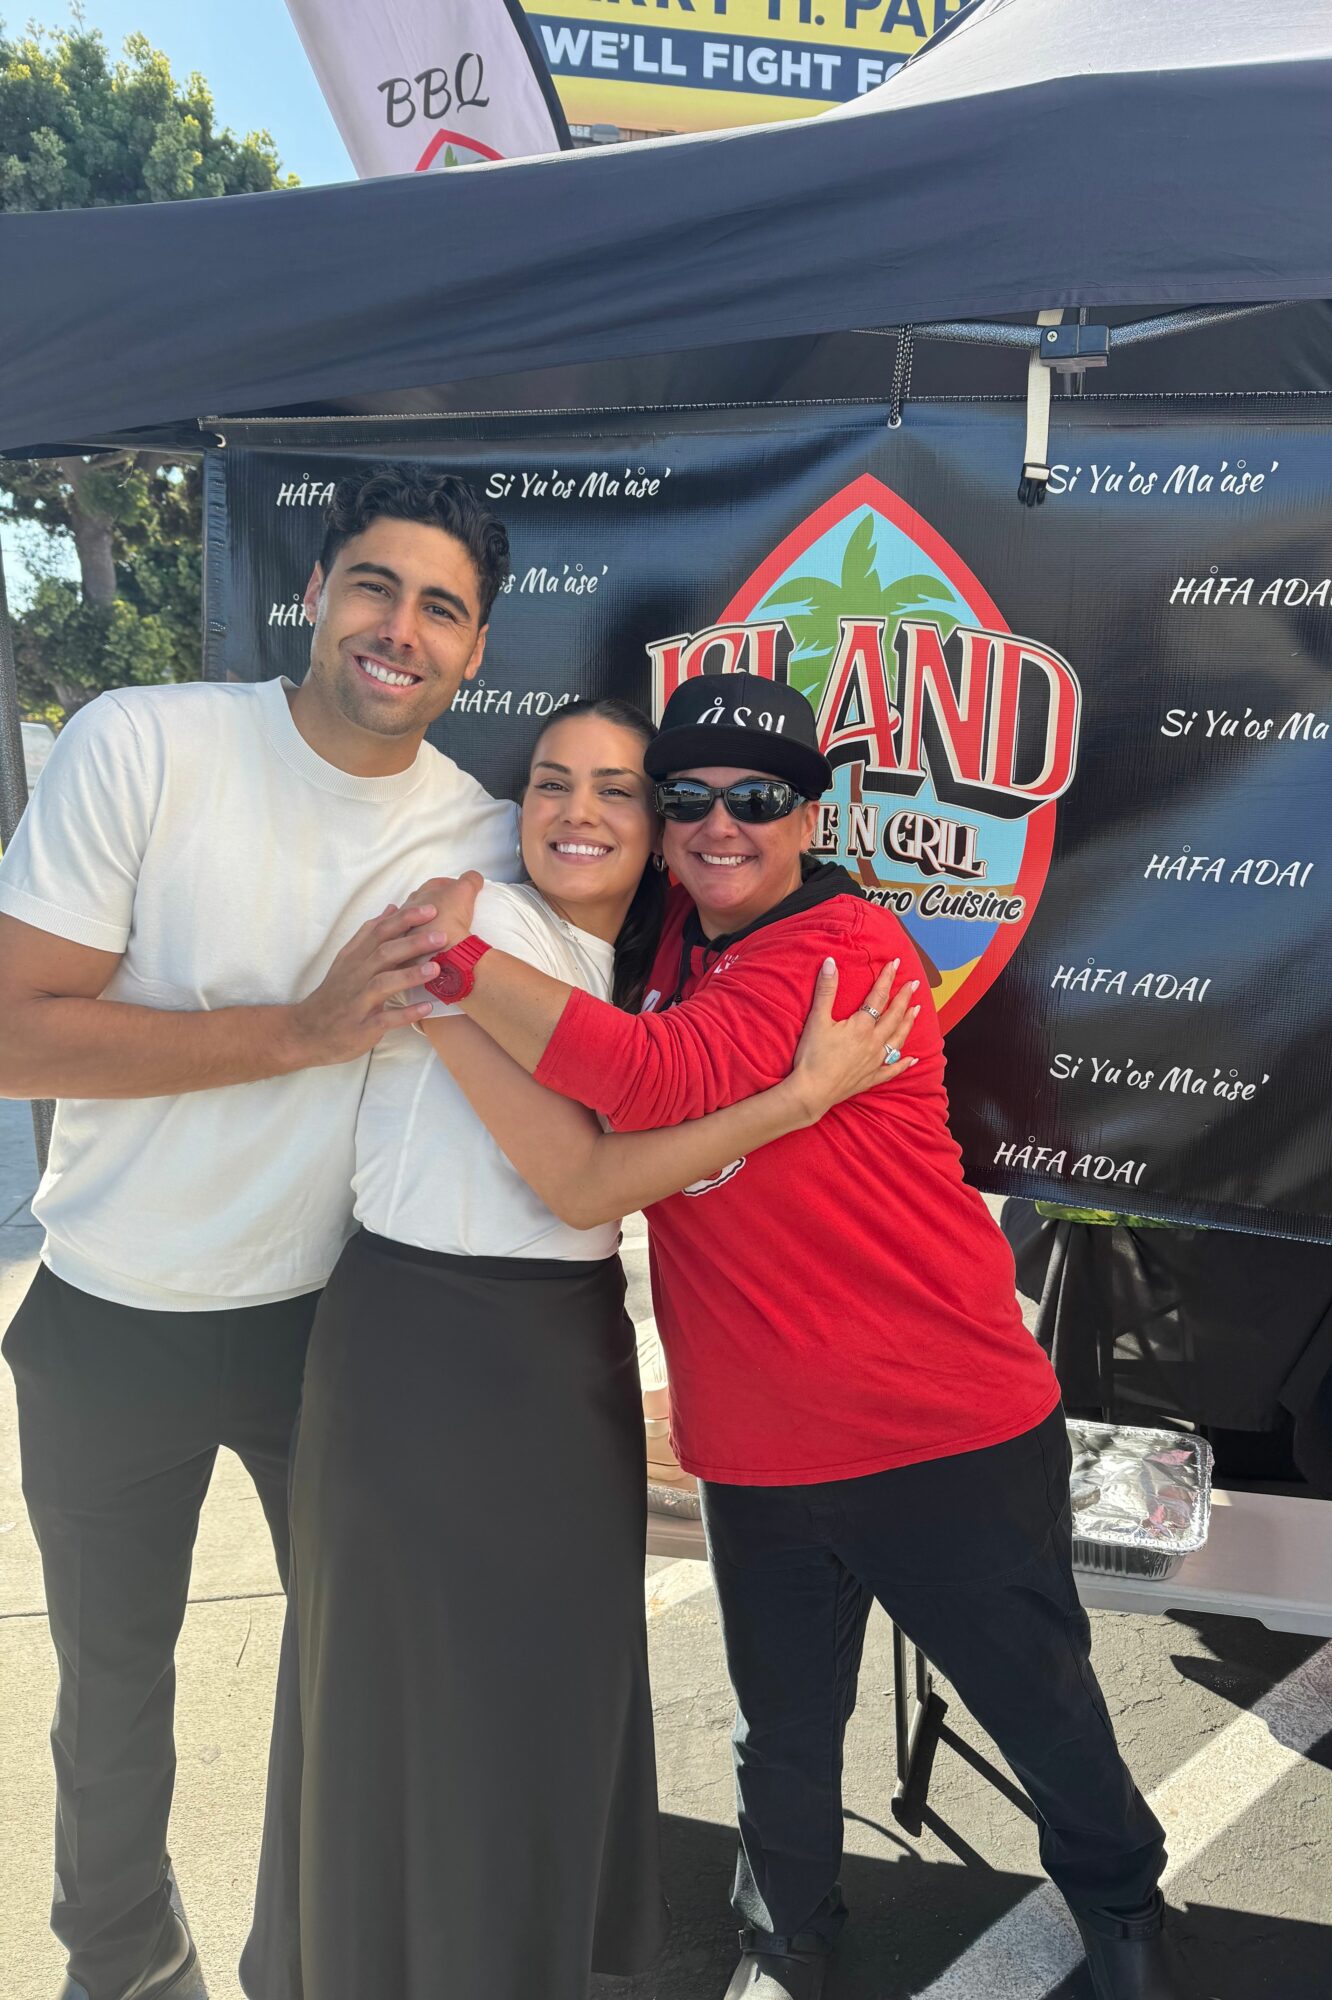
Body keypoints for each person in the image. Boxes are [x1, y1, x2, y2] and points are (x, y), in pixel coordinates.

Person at [400, 676, 1189, 2000]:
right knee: (784, 1732)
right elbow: (559, 858)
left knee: (1040, 1706)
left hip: (941, 1431)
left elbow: (644, 1082)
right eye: (689, 799)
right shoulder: (674, 933)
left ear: (812, 817)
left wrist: (448, 960)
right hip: (761, 1448)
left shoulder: (844, 952)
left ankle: (1122, 1905)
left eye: (757, 799)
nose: (721, 826)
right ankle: (791, 1932)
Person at [262, 696, 917, 2000]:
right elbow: (578, 1181)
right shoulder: (481, 934)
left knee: (553, 1691)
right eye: (552, 782)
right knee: (433, 1697)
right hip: (428, 1345)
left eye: (619, 790)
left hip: (565, 1348)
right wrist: (799, 1096)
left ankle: (527, 1962)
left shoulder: (646, 970)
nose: (578, 812)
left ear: (660, 827)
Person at [0, 462, 519, 2000]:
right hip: (108, 1313)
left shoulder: (485, 840)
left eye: (441, 608)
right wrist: (296, 1032)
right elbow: (13, 1032)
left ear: (477, 649)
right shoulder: (144, 744)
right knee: (110, 1690)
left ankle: (323, 1962)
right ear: (313, 594)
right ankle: (122, 1960)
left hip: (335, 1328)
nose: (400, 628)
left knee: (363, 1691)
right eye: (374, 586)